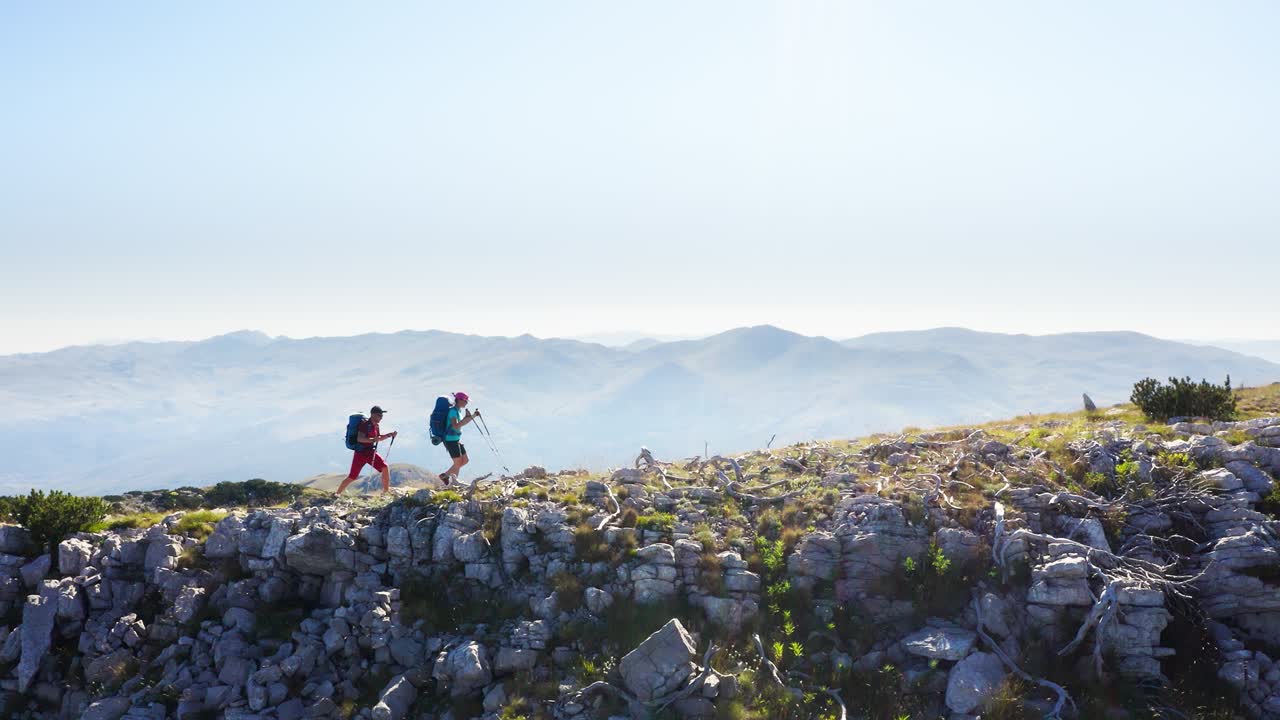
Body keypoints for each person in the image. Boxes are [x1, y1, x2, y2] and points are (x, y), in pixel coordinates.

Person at [336, 406, 397, 495]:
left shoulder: (376, 426)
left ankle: (386, 492)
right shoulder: (364, 425)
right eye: (379, 415)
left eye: (381, 416)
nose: (381, 417)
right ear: (372, 415)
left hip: (369, 452)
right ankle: (337, 493)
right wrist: (372, 440)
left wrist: (389, 435)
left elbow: (378, 438)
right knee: (352, 476)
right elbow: (360, 439)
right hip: (361, 453)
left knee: (384, 467)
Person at [438, 392, 475, 485]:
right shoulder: (453, 411)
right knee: (458, 464)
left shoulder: (458, 411)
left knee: (465, 460)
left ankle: (445, 476)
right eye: (465, 401)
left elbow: (460, 424)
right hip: (450, 440)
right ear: (459, 400)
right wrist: (470, 418)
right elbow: (455, 426)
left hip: (455, 439)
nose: (467, 403)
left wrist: (470, 417)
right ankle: (454, 483)